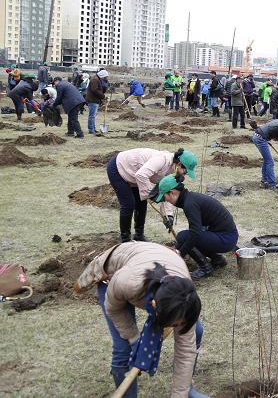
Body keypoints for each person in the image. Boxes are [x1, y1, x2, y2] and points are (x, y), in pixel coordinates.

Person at [75, 242, 207, 397]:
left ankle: (187, 389)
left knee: (196, 330)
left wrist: (179, 394)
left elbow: (185, 353)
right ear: (154, 305)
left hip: (159, 260)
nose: (177, 326)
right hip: (113, 276)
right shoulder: (127, 282)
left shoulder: (185, 296)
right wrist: (133, 338)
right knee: (124, 348)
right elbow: (113, 308)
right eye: (175, 323)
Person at [154, 175, 239, 279]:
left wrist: (180, 253)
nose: (165, 200)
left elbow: (195, 233)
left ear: (172, 192)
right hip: (225, 236)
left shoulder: (189, 204)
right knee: (184, 237)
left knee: (184, 236)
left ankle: (205, 268)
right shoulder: (190, 198)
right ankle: (217, 259)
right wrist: (176, 250)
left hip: (226, 239)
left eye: (165, 196)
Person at [106, 147, 197, 242]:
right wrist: (150, 194)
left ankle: (139, 235)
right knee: (128, 204)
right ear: (179, 164)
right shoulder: (162, 160)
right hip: (119, 168)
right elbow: (141, 175)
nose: (184, 175)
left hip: (135, 173)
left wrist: (168, 215)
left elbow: (167, 192)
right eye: (185, 172)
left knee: (141, 203)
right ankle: (126, 239)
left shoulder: (173, 172)